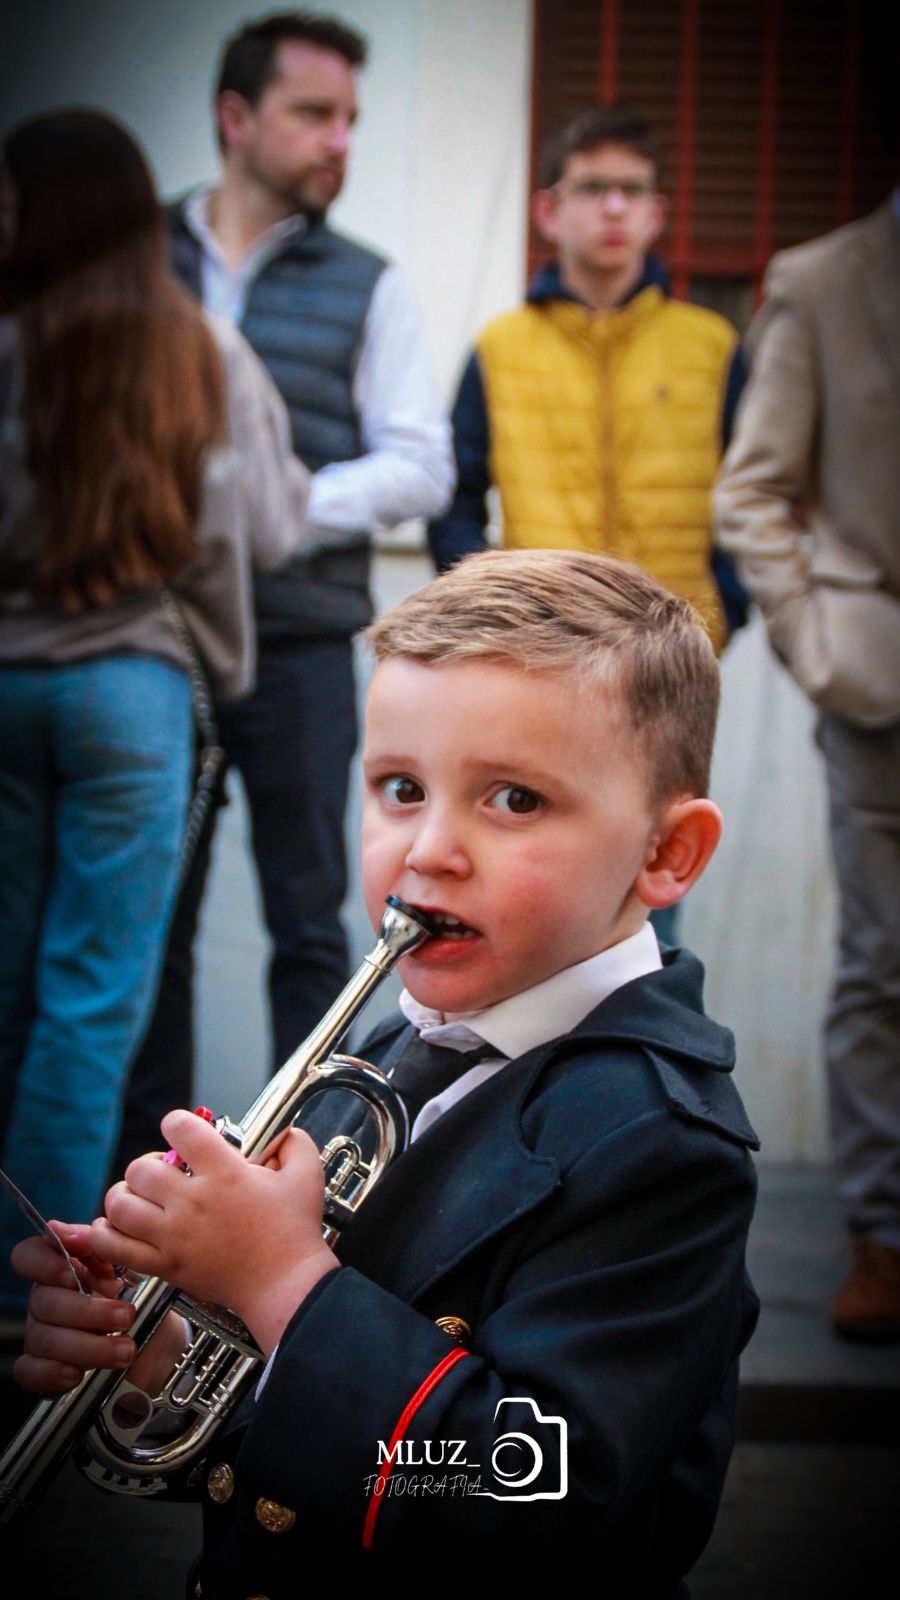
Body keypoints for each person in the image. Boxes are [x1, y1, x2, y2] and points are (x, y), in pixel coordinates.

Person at [14, 550, 759, 1591]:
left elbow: (533, 1487)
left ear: (667, 856)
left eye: (513, 798)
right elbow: (292, 1449)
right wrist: (163, 1351)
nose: (431, 849)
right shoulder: (383, 1049)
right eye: (399, 788)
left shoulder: (663, 1140)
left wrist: (279, 1284)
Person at [115, 10, 454, 1172]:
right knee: (144, 927)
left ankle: (298, 1178)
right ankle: (147, 1187)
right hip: (153, 643)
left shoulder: (372, 283)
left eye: (351, 119)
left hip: (305, 645)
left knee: (314, 922)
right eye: (315, 113)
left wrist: (266, 505)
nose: (338, 139)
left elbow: (420, 460)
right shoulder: (128, 256)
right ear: (235, 119)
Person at [0, 108, 311, 1316]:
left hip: (10, 686)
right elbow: (263, 529)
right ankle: (29, 1297)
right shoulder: (202, 350)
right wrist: (222, 663)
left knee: (14, 991)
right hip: (132, 695)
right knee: (89, 1007)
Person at [427, 104, 748, 948]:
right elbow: (454, 496)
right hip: (539, 670)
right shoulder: (501, 347)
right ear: (549, 210)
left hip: (666, 670)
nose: (613, 209)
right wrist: (492, 621)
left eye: (632, 192)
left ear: (656, 214)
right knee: (528, 885)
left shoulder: (712, 345)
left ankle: (638, 1076)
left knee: (651, 895)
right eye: (593, 188)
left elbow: (756, 492)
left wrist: (728, 609)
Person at [714, 192, 900, 1341]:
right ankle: (883, 1236)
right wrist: (829, 644)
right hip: (882, 689)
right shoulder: (826, 281)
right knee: (886, 965)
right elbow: (752, 491)